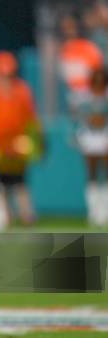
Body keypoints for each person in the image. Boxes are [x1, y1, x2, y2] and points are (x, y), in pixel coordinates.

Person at [0, 51, 42, 228]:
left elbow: (31, 120)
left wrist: (37, 142)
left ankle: (27, 216)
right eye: (1, 73)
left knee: (19, 182)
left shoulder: (22, 90)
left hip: (17, 144)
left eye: (8, 74)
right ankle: (3, 217)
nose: (5, 78)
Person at [70, 68, 108, 226]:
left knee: (105, 173)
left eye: (101, 80)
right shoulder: (84, 97)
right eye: (96, 80)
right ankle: (94, 211)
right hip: (91, 137)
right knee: (91, 173)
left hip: (105, 135)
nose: (98, 83)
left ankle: (105, 211)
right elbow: (78, 116)